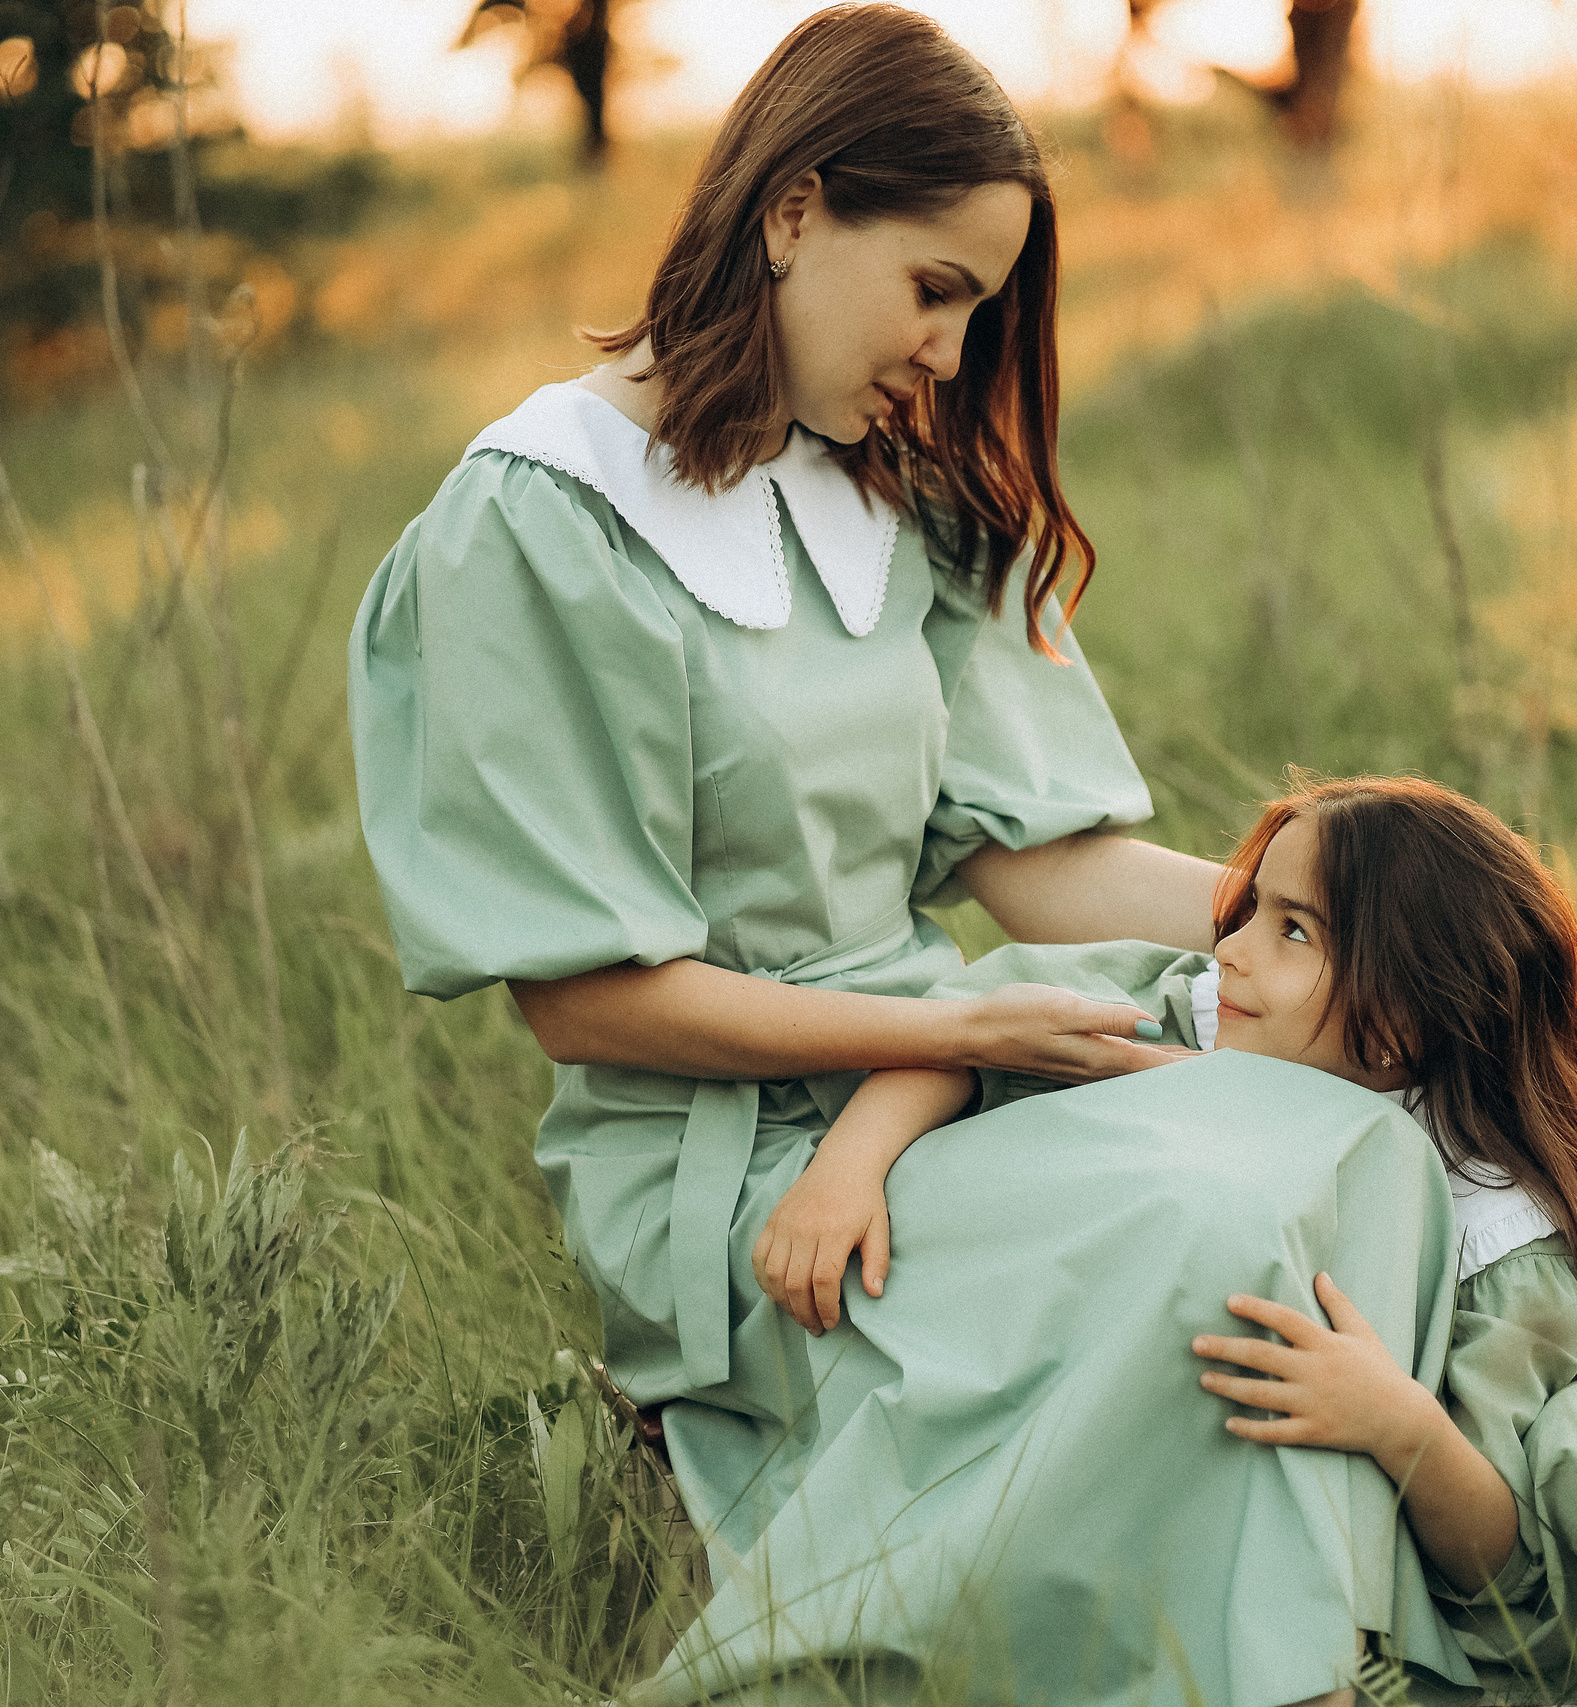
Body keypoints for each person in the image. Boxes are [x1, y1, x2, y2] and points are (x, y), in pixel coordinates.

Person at [351, 0, 1277, 1573]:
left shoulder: (896, 482)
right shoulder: (537, 518)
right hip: (721, 1163)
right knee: (1189, 1238)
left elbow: (1046, 870)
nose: (951, 350)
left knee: (1332, 1142)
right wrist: (960, 1030)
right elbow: (591, 1000)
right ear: (792, 211)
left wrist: (1351, 925)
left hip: (932, 1075)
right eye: (934, 288)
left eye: (976, 309)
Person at [739, 775, 1577, 1707]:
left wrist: (1396, 1421)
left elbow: (1498, 1568)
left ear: (1395, 1028)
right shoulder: (1201, 1009)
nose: (1231, 946)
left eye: (1289, 930)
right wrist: (849, 1164)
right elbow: (986, 1035)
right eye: (1248, 908)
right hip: (1483, 1588)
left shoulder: (1507, 1235)